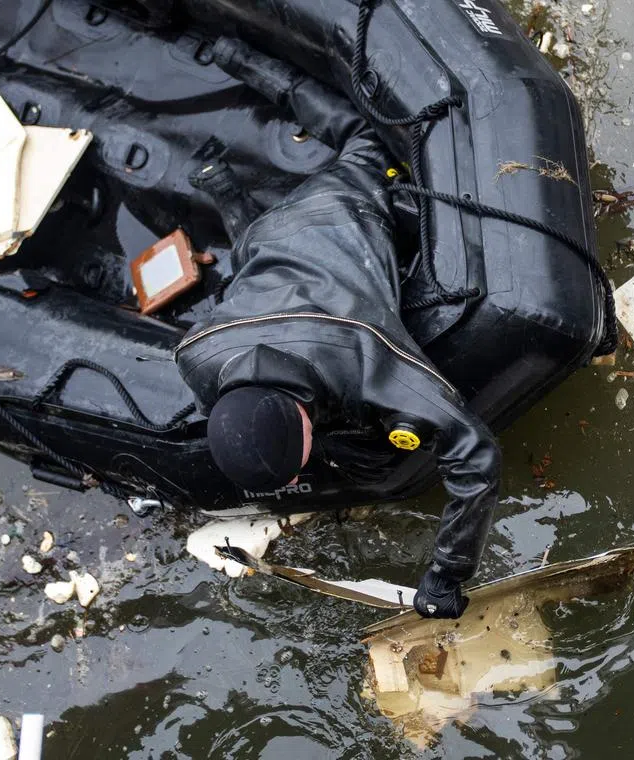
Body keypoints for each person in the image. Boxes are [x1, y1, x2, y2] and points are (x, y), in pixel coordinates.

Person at [174, 39, 501, 620]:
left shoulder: (364, 353)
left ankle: (236, 52)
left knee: (364, 131)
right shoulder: (195, 353)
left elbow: (475, 457)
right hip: (264, 239)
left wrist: (446, 575)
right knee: (253, 251)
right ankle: (225, 179)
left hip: (345, 204)